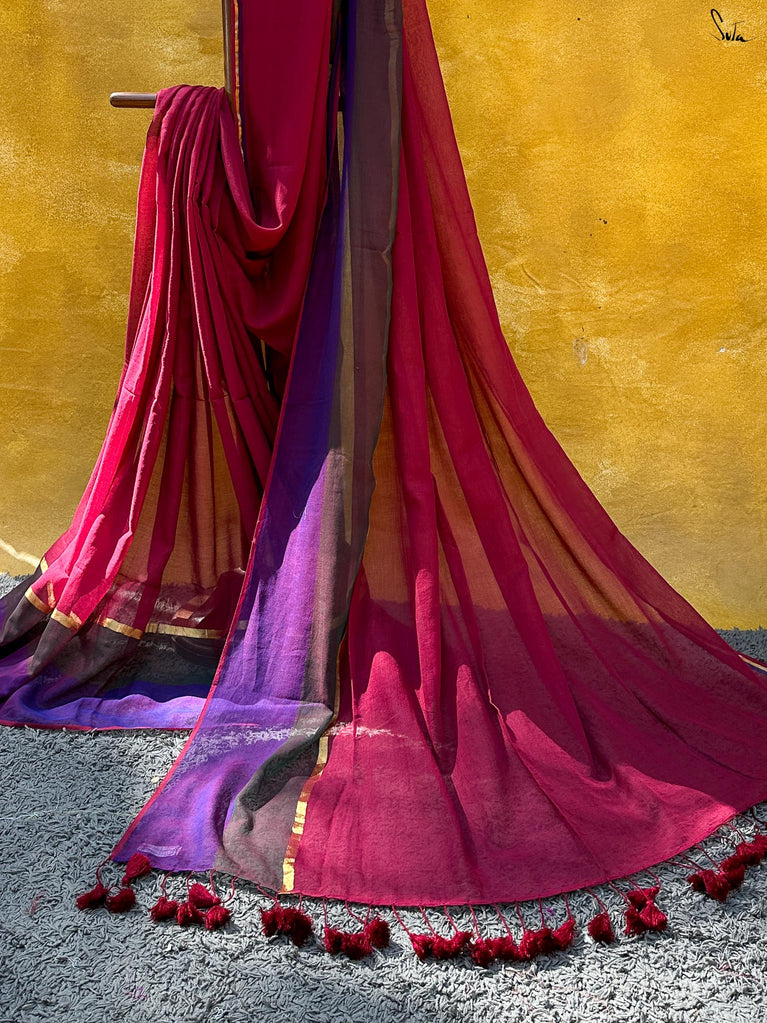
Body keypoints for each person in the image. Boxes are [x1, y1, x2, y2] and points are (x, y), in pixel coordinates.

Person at [1, 0, 767, 958]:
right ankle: (289, 621)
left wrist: (223, 148)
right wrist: (221, 129)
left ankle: (300, 631)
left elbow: (274, 192)